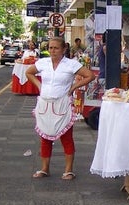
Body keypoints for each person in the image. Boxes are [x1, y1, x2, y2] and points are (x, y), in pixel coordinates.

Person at [25, 37, 95, 180]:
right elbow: (29, 72)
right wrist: (39, 86)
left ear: (64, 49)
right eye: (50, 48)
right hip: (45, 104)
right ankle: (45, 168)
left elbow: (90, 75)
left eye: (56, 48)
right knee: (45, 137)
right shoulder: (43, 63)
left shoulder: (70, 64)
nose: (53, 51)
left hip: (62, 103)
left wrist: (74, 87)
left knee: (66, 137)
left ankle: (68, 170)